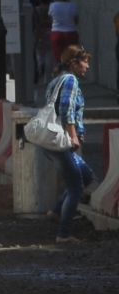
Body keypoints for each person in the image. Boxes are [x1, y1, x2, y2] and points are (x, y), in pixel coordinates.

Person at [45, 45, 93, 244]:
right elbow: (66, 111)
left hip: (52, 140)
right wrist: (73, 137)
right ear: (74, 63)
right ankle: (64, 234)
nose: (88, 66)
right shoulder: (70, 80)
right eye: (85, 61)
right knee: (76, 187)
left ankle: (57, 211)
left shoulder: (57, 80)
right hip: (61, 141)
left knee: (86, 175)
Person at [48, 0, 80, 65]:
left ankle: (61, 73)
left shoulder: (53, 6)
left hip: (56, 33)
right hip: (71, 33)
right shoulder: (73, 6)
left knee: (59, 60)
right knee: (72, 58)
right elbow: (76, 21)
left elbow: (50, 20)